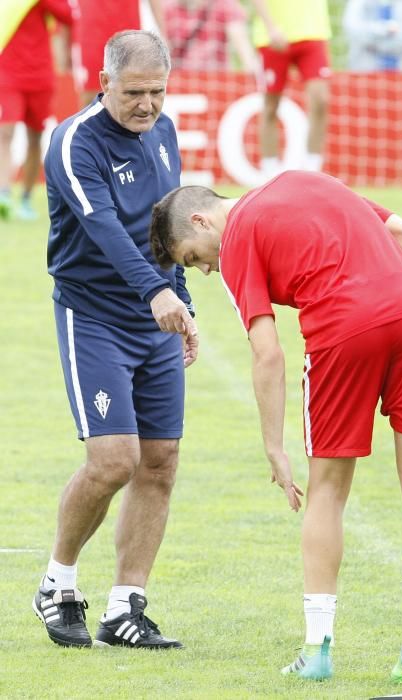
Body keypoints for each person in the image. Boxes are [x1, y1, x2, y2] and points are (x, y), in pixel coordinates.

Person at [149, 171, 402, 683]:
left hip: (343, 332)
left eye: (193, 258)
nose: (202, 270)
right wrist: (398, 304)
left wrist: (273, 446)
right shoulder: (307, 179)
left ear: (201, 219)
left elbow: (267, 354)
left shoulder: (238, 233)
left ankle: (317, 650)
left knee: (326, 493)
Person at [33, 29, 199, 650]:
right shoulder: (74, 142)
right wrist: (155, 294)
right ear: (103, 83)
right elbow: (103, 229)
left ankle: (126, 607)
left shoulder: (164, 131)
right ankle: (58, 584)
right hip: (95, 317)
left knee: (160, 462)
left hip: (156, 320)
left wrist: (181, 300)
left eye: (158, 92)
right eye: (134, 92)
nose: (148, 105)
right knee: (113, 461)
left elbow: (168, 224)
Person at [0, 0, 77, 221]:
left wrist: (67, 54)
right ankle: (3, 194)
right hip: (8, 73)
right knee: (5, 133)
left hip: (40, 75)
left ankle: (25, 198)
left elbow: (70, 15)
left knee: (36, 138)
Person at [250, 0, 332, 178]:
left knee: (321, 99)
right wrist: (270, 26)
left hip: (313, 32)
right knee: (271, 105)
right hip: (273, 37)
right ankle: (269, 173)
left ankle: (313, 170)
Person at [73, 0, 166, 106]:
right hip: (91, 31)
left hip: (128, 32)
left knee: (132, 94)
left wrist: (163, 34)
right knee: (92, 99)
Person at [155, 0, 257, 73]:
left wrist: (250, 64)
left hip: (214, 82)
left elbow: (241, 40)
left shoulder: (223, 4)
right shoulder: (164, 8)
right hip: (179, 84)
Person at [342, 0, 402, 72]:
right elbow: (355, 32)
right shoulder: (358, 3)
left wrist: (374, 39)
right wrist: (386, 30)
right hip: (364, 74)